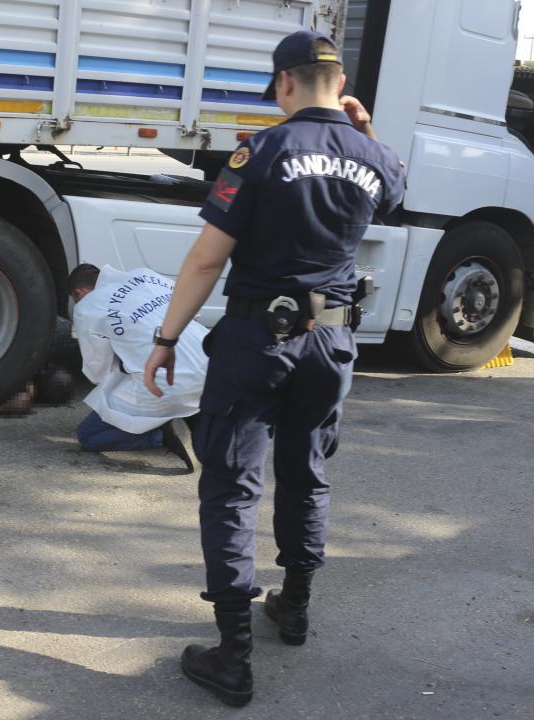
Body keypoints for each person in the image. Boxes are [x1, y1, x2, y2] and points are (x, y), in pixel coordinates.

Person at [142, 31, 405, 706]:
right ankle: (294, 606)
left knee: (232, 485)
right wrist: (366, 131)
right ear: (341, 85)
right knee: (306, 472)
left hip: (259, 339)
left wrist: (167, 337)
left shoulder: (261, 152)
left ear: (284, 82)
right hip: (332, 343)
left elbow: (208, 258)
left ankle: (233, 656)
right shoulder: (374, 155)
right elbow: (393, 193)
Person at [70, 264, 207, 471]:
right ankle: (191, 415)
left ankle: (163, 435)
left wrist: (125, 366)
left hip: (169, 382)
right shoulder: (147, 276)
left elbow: (98, 371)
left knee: (89, 435)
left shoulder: (87, 306)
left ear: (79, 293)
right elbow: (193, 313)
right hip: (212, 365)